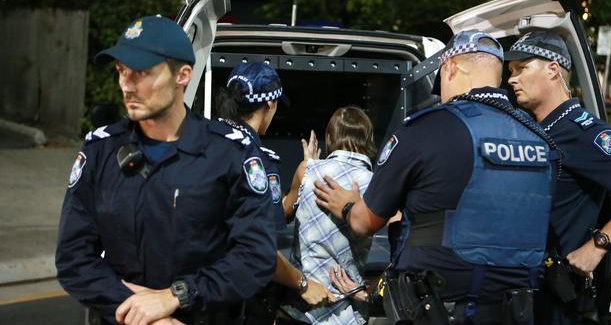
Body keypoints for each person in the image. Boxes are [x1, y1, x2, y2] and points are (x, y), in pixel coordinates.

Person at [313, 30, 558, 325]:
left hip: (441, 309)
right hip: (518, 310)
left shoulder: (426, 129)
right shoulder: (539, 139)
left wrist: (348, 205)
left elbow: (365, 222)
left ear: (449, 67)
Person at [55, 16, 278, 325]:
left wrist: (176, 296)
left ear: (182, 75)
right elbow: (73, 257)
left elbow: (255, 257)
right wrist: (144, 313)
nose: (127, 85)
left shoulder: (228, 153)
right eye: (122, 71)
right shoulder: (100, 150)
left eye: (143, 73)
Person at [505, 31, 611, 324]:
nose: (511, 79)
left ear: (553, 69)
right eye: (510, 71)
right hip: (527, 291)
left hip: (560, 297)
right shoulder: (539, 130)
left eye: (521, 68)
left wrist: (598, 245)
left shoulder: (579, 129)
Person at [214, 62, 335, 324]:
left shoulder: (203, 138)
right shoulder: (255, 159)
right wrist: (303, 284)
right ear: (269, 105)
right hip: (233, 299)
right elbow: (259, 247)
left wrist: (298, 184)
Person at [281, 106, 377, 325]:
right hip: (349, 313)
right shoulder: (375, 184)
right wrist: (367, 291)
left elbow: (282, 214)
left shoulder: (307, 170)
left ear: (330, 137)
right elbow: (406, 238)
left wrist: (308, 167)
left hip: (301, 308)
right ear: (368, 138)